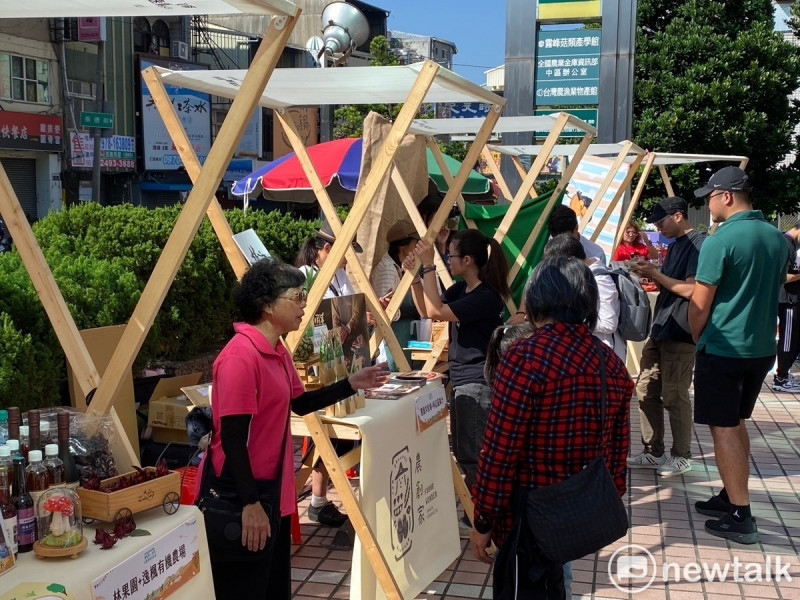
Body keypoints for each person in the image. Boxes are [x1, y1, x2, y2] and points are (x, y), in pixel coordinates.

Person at [198, 258, 387, 600]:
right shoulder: (241, 357)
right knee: (245, 588)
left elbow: (298, 404)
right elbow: (234, 443)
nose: (304, 306)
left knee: (272, 586)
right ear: (267, 305)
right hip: (241, 494)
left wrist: (351, 383)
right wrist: (250, 504)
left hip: (273, 490)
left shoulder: (277, 349)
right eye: (297, 297)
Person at [470, 256, 632, 598]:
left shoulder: (524, 358)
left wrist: (483, 519)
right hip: (572, 514)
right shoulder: (611, 365)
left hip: (525, 517)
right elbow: (617, 456)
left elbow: (499, 452)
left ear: (537, 298)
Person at [689, 167, 787, 545]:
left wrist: (700, 338)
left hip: (724, 346)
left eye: (710, 197)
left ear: (726, 196)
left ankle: (742, 515)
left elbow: (700, 303)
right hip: (761, 348)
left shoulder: (720, 240)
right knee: (737, 420)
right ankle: (731, 497)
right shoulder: (777, 238)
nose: (708, 205)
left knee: (724, 427)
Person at [404, 229, 511, 495]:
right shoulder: (464, 289)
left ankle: (479, 514)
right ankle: (476, 511)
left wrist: (428, 265)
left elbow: (435, 310)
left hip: (477, 382)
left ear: (468, 261)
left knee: (472, 454)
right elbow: (426, 311)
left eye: (450, 256)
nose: (446, 260)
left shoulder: (485, 296)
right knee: (467, 451)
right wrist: (415, 278)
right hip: (466, 380)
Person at [627, 196, 705, 477]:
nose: (658, 228)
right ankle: (652, 451)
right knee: (645, 390)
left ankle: (682, 455)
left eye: (661, 222)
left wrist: (655, 275)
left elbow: (692, 290)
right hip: (661, 328)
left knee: (675, 395)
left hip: (681, 331)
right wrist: (650, 272)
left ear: (679, 215)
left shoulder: (699, 245)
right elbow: (670, 283)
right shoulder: (674, 247)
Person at [294, 223, 363, 527]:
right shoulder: (306, 276)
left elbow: (352, 308)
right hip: (316, 368)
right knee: (321, 434)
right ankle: (318, 500)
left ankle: (322, 499)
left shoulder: (339, 276)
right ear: (326, 250)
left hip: (341, 363)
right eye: (345, 253)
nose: (349, 260)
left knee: (341, 434)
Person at [543, 234, 624, 360]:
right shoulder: (584, 275)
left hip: (603, 354)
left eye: (559, 266)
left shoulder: (600, 280)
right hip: (589, 350)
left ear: (570, 260)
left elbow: (609, 323)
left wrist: (569, 321)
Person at [370, 219, 422, 370]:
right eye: (415, 242)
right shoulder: (387, 269)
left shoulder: (402, 268)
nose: (417, 245)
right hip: (390, 341)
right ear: (403, 245)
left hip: (405, 337)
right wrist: (416, 311)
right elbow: (386, 311)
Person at [772, 223, 800, 392]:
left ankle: (785, 375)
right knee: (788, 340)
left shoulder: (791, 243)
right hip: (787, 300)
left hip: (793, 299)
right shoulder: (785, 243)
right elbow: (782, 275)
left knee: (794, 339)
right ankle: (781, 378)